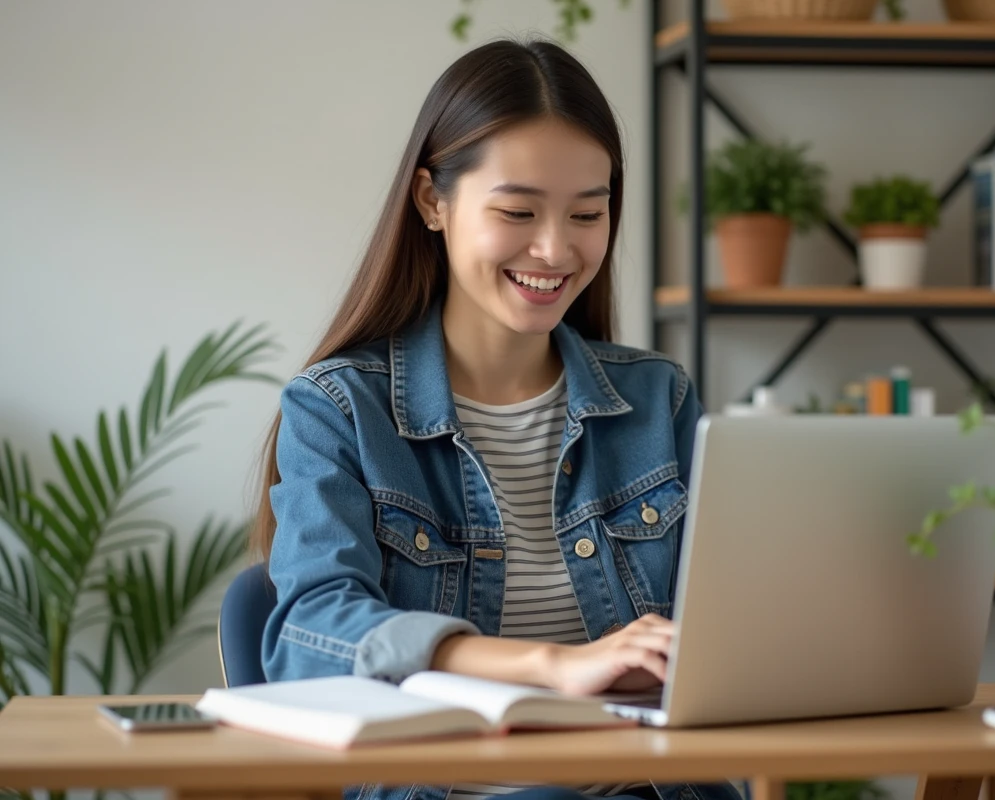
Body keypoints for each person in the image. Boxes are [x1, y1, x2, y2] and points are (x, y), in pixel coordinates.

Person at [250, 37, 741, 800]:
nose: (555, 249)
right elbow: (309, 634)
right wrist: (548, 666)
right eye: (517, 210)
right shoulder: (339, 407)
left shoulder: (658, 402)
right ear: (431, 201)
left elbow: (731, 634)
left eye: (588, 212)